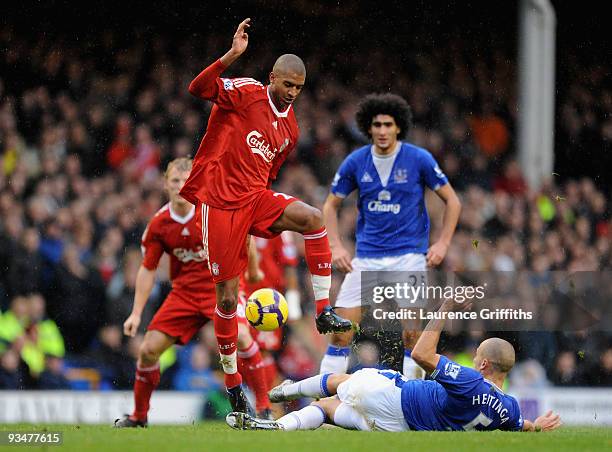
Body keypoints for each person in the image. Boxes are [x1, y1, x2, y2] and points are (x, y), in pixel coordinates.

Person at [179, 18, 353, 411]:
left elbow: (268, 174)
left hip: (255, 197)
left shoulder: (289, 129)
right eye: (287, 84)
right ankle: (232, 382)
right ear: (273, 77)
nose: (292, 93)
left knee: (312, 218)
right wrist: (232, 56)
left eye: (299, 88)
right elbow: (198, 88)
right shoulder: (245, 92)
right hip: (220, 204)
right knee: (225, 301)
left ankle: (324, 310)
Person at [227, 299, 562, 433]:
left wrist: (444, 308)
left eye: (476, 358)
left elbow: (421, 354)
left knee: (341, 380)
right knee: (328, 409)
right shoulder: (510, 409)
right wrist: (539, 427)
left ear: (485, 363)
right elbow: (523, 428)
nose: (473, 361)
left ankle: (282, 391)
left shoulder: (472, 381)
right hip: (400, 427)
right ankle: (274, 427)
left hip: (397, 399)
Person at [114, 158, 270, 427]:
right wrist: (136, 313)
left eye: (185, 181)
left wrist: (253, 272)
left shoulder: (212, 211)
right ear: (166, 184)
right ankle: (139, 417)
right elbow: (148, 269)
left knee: (242, 336)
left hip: (221, 288)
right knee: (148, 350)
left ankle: (265, 408)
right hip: (184, 294)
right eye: (174, 181)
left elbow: (246, 236)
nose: (180, 186)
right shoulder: (159, 223)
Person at [319, 93, 462, 378]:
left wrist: (443, 242)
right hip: (367, 258)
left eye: (388, 124)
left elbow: (453, 201)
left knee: (411, 337)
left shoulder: (418, 159)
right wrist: (335, 245)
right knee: (341, 334)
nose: (382, 131)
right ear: (368, 128)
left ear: (398, 127)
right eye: (377, 125)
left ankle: (410, 405)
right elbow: (330, 205)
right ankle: (322, 404)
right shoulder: (356, 162)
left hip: (408, 258)